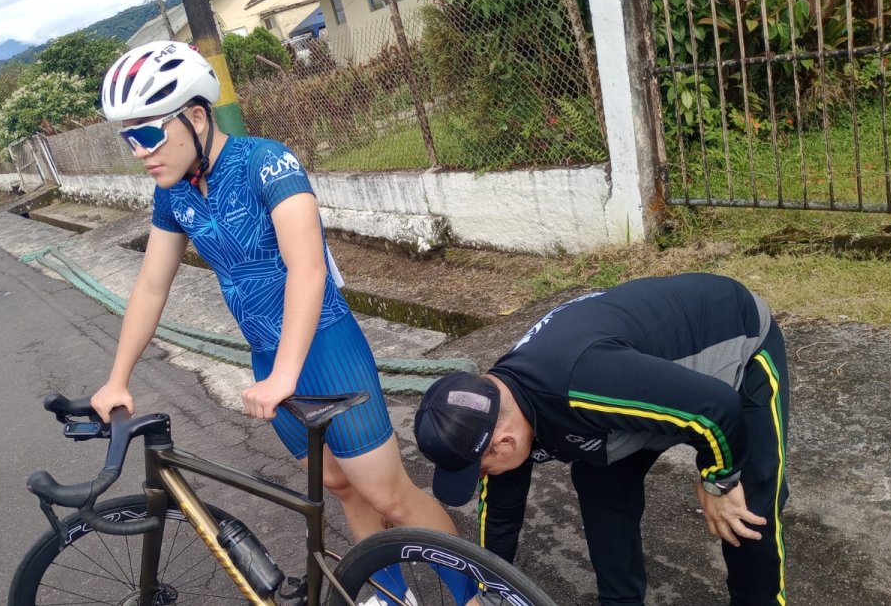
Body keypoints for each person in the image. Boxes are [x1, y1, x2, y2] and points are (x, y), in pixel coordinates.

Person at [89, 41, 471, 605]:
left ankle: (476, 594)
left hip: (325, 347)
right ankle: (391, 596)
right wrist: (118, 377)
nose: (140, 152)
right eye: (129, 139)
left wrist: (287, 373)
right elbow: (151, 285)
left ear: (196, 117)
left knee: (390, 496)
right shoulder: (172, 194)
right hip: (270, 356)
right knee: (340, 487)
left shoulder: (267, 161)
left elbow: (308, 269)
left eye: (147, 134)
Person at [413, 273, 789, 606]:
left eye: (478, 470)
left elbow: (716, 407)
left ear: (505, 443)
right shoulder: (500, 406)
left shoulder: (580, 385)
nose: (481, 478)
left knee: (747, 512)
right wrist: (490, 591)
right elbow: (500, 512)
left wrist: (718, 481)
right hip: (648, 378)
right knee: (599, 482)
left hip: (733, 344)